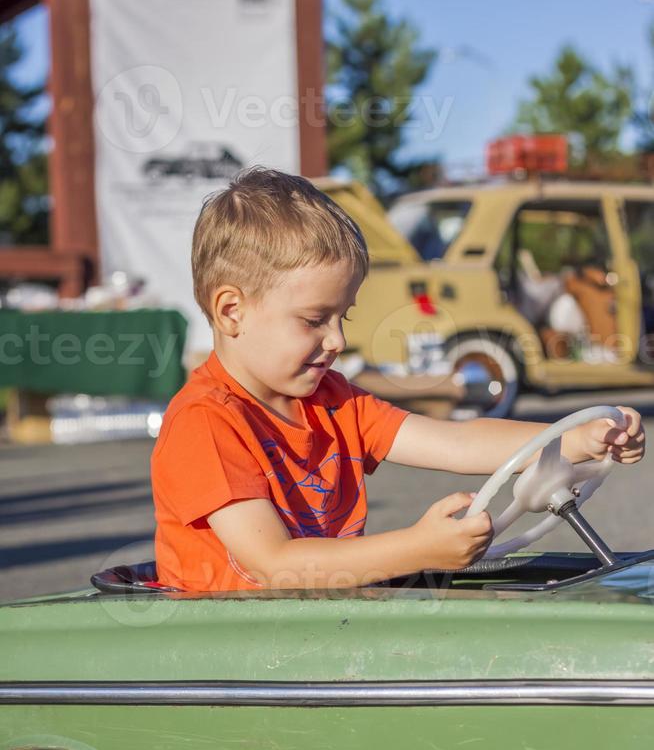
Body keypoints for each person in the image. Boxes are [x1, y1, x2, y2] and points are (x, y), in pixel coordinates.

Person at [151, 168, 646, 593]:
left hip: (315, 633)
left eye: (342, 317)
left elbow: (455, 442)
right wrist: (416, 549)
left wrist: (573, 440)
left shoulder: (333, 402)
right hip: (227, 657)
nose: (337, 340)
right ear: (232, 311)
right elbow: (274, 564)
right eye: (313, 319)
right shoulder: (206, 423)